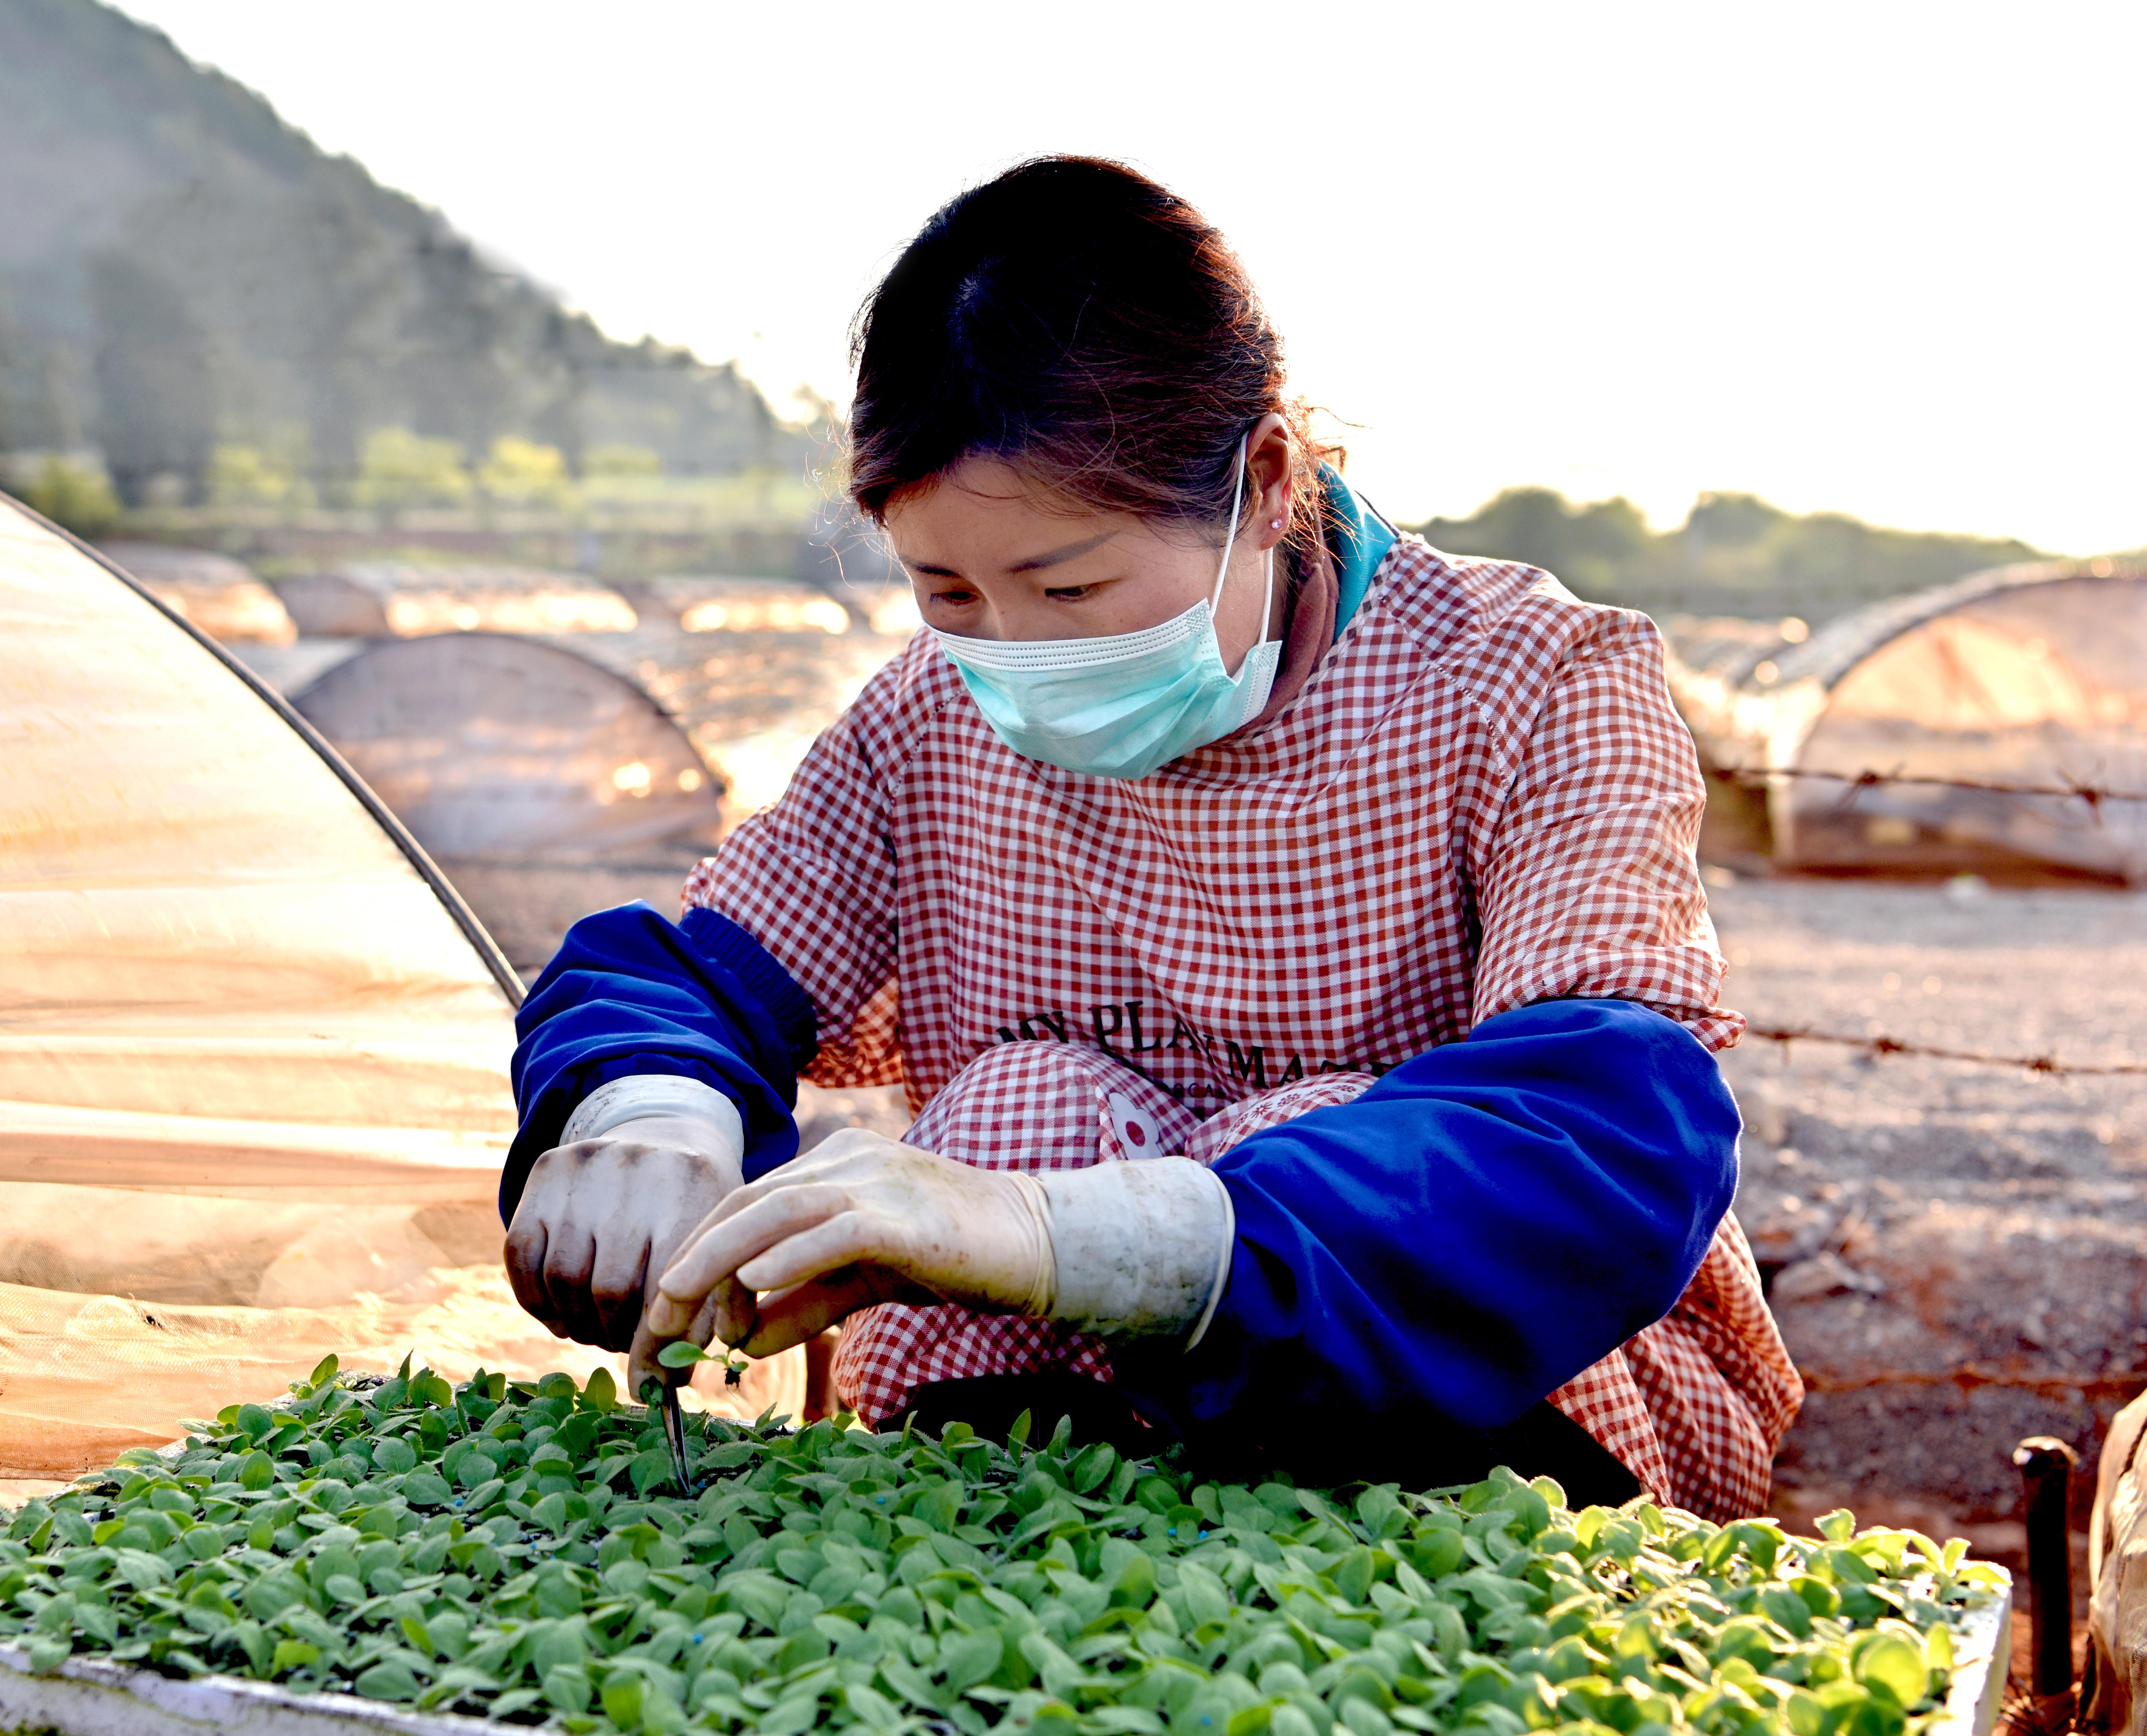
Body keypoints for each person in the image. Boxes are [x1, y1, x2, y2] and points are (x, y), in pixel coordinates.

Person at [499, 156, 1800, 1517]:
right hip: (1038, 1415)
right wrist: (653, 1115)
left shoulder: (1528, 678)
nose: (1013, 650)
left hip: (1474, 1406)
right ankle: (1003, 1592)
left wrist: (1070, 1236)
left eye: (1075, 585)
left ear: (1267, 479)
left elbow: (1605, 1125)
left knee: (1259, 1130)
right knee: (1021, 1107)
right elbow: (696, 973)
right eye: (946, 589)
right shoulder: (927, 718)